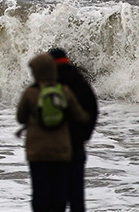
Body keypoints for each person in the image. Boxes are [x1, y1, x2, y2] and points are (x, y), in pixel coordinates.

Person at [17, 53, 89, 212]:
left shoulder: (30, 92)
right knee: (59, 194)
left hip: (37, 152)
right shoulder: (64, 91)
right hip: (61, 150)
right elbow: (80, 116)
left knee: (40, 193)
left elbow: (20, 118)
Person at [48, 47, 99, 212]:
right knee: (77, 197)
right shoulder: (81, 81)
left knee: (57, 197)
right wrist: (85, 136)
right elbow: (93, 110)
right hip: (77, 146)